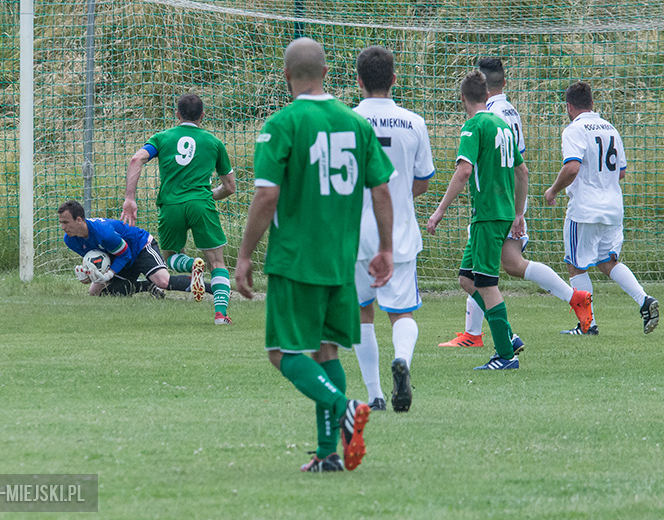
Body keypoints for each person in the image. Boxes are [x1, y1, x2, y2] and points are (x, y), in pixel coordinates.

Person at [235, 37, 395, 473]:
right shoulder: (356, 123)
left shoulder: (282, 124)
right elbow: (381, 189)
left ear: (286, 76)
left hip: (295, 259)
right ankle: (328, 454)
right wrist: (385, 248)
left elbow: (267, 195)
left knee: (281, 352)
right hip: (340, 261)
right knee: (327, 351)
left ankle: (345, 408)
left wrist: (244, 255)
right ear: (326, 73)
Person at [438, 58, 594, 348]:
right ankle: (573, 297)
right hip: (509, 201)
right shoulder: (509, 112)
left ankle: (479, 335)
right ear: (503, 83)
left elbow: (476, 167)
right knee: (509, 265)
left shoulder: (485, 117)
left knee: (482, 276)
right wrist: (517, 210)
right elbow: (520, 167)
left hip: (492, 203)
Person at [351, 46, 435, 413]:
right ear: (394, 79)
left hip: (355, 234)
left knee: (360, 312)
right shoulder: (413, 122)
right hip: (398, 232)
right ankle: (401, 359)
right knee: (402, 314)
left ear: (358, 81)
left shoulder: (346, 121)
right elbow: (423, 181)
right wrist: (396, 196)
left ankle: (375, 395)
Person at [427, 70, 528, 370]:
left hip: (487, 215)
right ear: (486, 95)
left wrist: (439, 211)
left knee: (486, 283)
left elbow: (464, 172)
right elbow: (522, 172)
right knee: (466, 279)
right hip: (502, 213)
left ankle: (505, 356)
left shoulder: (473, 126)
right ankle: (507, 336)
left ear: (462, 98)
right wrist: (518, 213)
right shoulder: (503, 125)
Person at [545, 81, 659, 335]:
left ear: (569, 107)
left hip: (585, 209)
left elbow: (572, 167)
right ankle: (644, 300)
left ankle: (588, 325)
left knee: (576, 266)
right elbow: (621, 172)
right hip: (613, 208)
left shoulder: (574, 130)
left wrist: (553, 190)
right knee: (607, 262)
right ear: (592, 103)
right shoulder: (610, 128)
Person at [122, 93, 236, 325]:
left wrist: (130, 198)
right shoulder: (214, 143)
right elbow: (230, 187)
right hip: (201, 204)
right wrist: (208, 195)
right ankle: (220, 315)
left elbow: (136, 160)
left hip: (171, 205)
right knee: (217, 262)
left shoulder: (162, 138)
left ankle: (191, 264)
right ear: (202, 115)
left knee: (170, 257)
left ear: (177, 114)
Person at [59, 200, 211, 297]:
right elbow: (96, 258)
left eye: (66, 222)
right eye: (61, 223)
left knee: (163, 281)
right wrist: (89, 274)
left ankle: (215, 288)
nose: (63, 227)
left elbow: (126, 254)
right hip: (119, 256)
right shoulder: (70, 240)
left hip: (140, 247)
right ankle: (147, 285)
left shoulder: (104, 233)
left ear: (79, 220)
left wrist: (109, 274)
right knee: (95, 292)